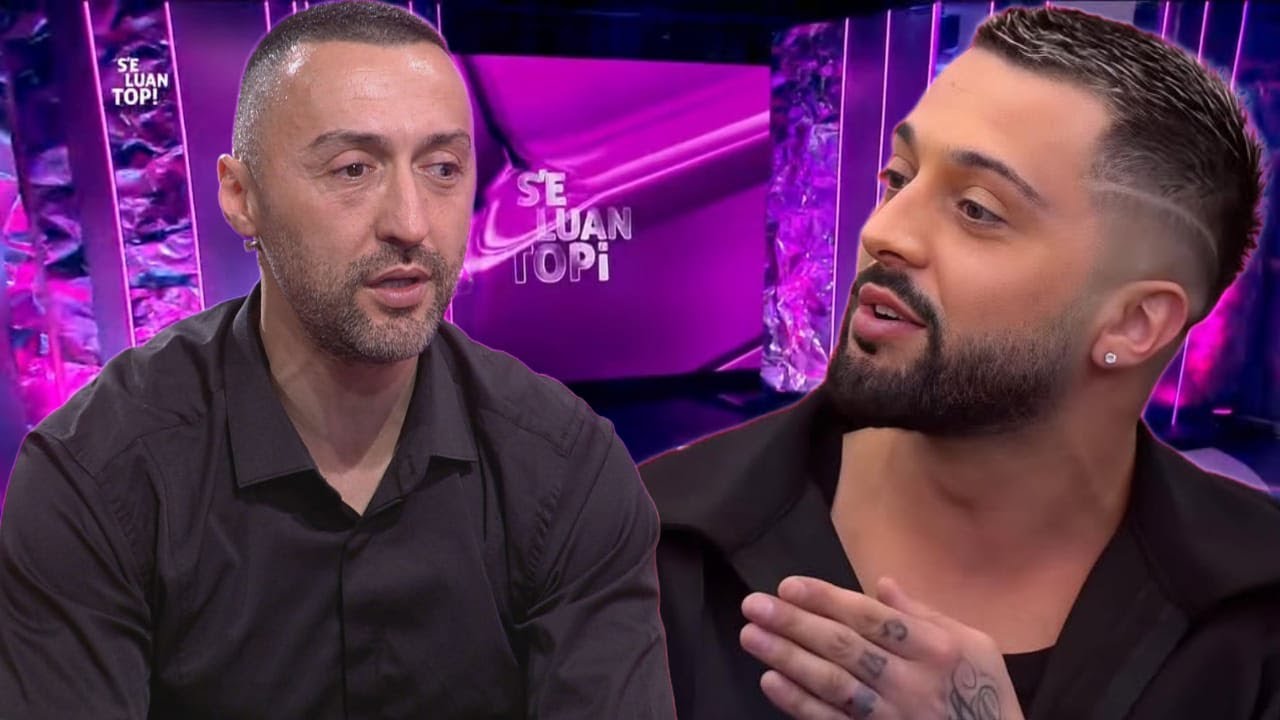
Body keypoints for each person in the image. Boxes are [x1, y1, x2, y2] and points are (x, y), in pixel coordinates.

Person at [0, 2, 674, 718]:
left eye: (442, 168)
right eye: (354, 169)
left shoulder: (565, 466)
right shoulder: (100, 474)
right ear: (241, 196)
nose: (410, 222)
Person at [643, 6, 1280, 720]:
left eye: (977, 209)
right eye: (898, 176)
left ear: (1134, 323)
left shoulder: (1258, 612)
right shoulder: (651, 543)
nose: (883, 230)